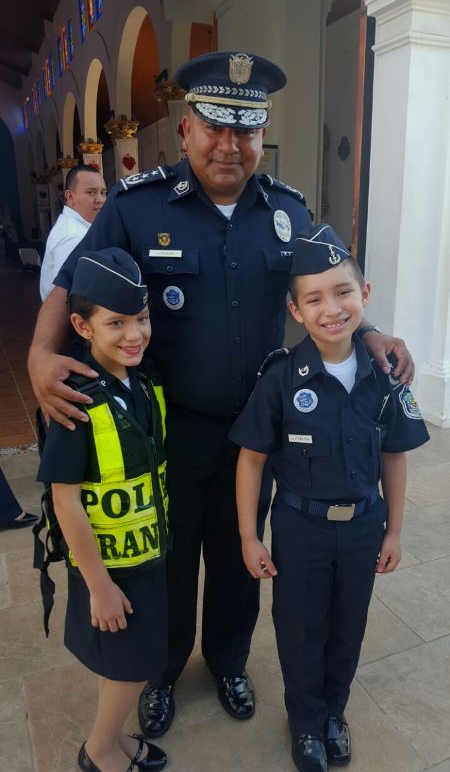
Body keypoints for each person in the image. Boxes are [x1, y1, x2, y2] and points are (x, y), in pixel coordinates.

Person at [27, 51, 414, 737]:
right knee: (170, 557)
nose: (230, 145)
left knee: (241, 552)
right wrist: (38, 354)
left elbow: (330, 285)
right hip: (172, 429)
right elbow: (71, 284)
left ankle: (229, 661)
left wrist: (372, 331)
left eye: (246, 130)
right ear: (186, 130)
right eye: (215, 127)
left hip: (256, 432)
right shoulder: (138, 206)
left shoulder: (287, 210)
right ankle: (164, 670)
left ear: (261, 135)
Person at [229, 224, 429, 772]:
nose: (332, 309)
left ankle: (333, 713)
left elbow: (394, 456)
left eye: (343, 292)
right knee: (300, 629)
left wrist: (394, 530)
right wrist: (249, 536)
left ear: (365, 294)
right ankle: (305, 720)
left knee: (348, 627)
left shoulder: (386, 375)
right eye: (314, 299)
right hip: (301, 529)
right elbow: (251, 460)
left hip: (363, 527)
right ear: (296, 311)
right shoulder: (280, 378)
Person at [37, 248, 169, 772]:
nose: (134, 334)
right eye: (116, 323)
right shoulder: (77, 399)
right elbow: (64, 498)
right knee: (132, 666)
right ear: (81, 326)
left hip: (147, 556)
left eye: (142, 319)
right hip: (110, 567)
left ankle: (113, 738)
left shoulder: (141, 381)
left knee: (123, 661)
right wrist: (98, 585)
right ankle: (99, 751)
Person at [40, 164, 107, 300]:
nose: (100, 200)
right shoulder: (73, 237)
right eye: (91, 192)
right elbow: (71, 296)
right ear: (70, 197)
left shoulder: (77, 227)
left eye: (103, 192)